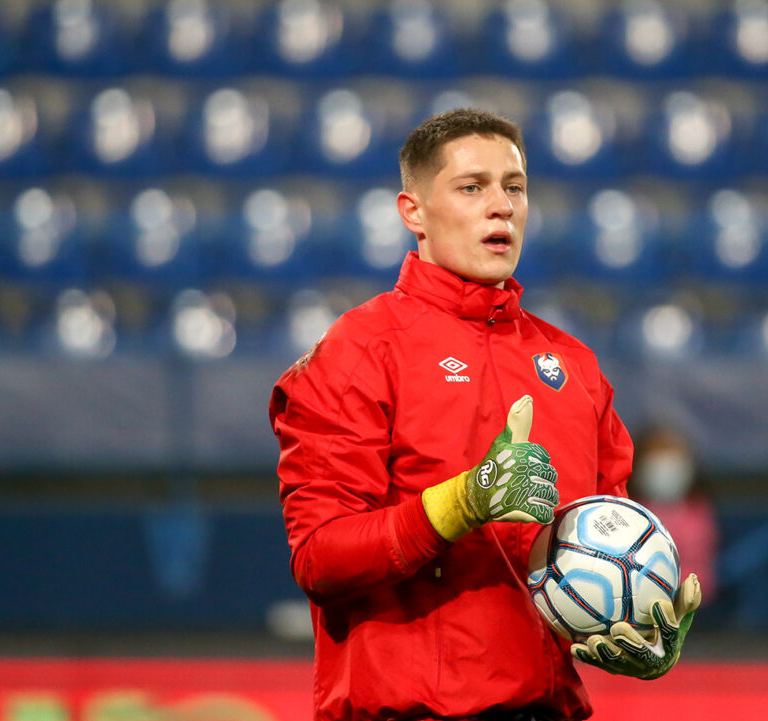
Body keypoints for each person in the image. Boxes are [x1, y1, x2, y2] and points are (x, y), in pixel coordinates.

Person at [269, 108, 701, 721]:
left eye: (514, 187)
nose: (501, 205)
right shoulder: (357, 353)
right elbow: (319, 556)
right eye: (472, 187)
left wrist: (640, 628)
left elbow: (601, 547)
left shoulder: (574, 367)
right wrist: (463, 502)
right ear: (412, 211)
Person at [628, 425, 718, 605]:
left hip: (697, 608)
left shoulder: (699, 511)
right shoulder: (626, 511)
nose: (667, 467)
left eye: (674, 456)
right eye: (658, 456)